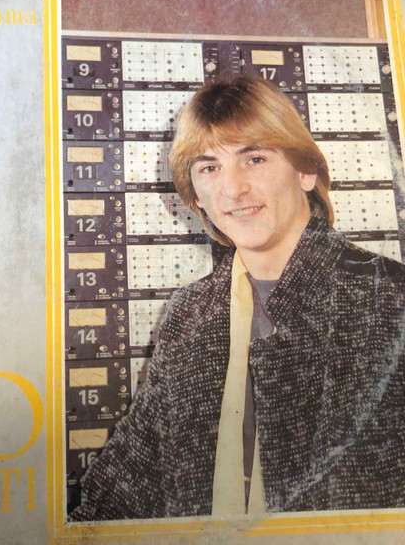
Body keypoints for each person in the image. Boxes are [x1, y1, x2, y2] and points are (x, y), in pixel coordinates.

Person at [68, 76, 405, 521]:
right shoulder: (189, 314)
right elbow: (119, 496)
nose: (232, 189)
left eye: (254, 159)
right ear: (196, 196)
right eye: (209, 168)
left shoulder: (390, 297)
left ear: (306, 171)